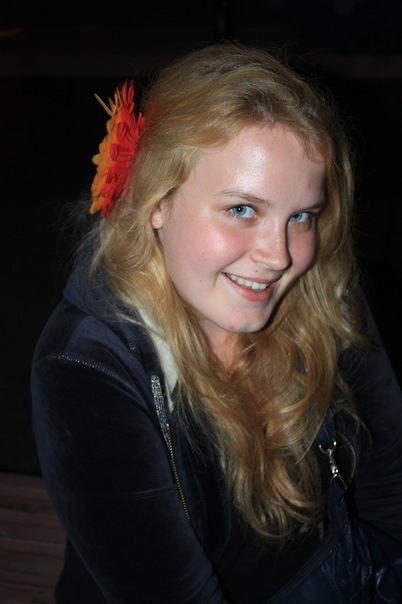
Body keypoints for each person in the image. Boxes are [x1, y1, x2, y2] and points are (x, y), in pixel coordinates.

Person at [31, 42, 402, 603]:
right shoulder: (88, 367)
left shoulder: (320, 287)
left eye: (301, 216)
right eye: (242, 209)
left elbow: (389, 483)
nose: (279, 256)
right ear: (157, 201)